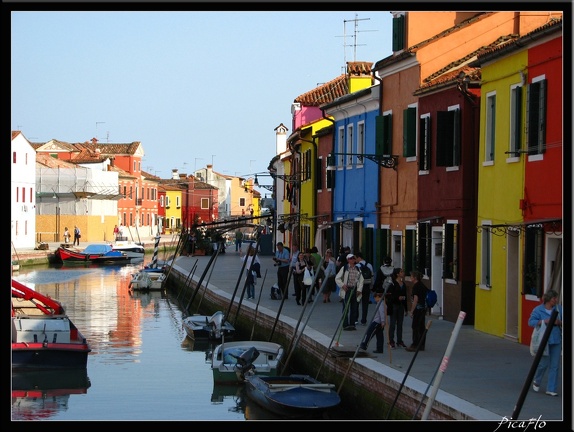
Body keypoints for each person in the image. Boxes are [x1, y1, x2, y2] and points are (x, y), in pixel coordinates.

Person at [529, 289, 563, 396]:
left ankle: (551, 388)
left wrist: (559, 322)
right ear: (548, 299)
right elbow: (531, 322)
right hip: (543, 340)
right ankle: (537, 380)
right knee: (543, 363)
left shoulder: (559, 309)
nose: (556, 300)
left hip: (556, 339)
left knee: (555, 365)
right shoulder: (538, 310)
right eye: (554, 298)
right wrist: (544, 321)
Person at [335, 253, 364, 331]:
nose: (352, 260)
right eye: (351, 259)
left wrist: (359, 290)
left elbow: (361, 280)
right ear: (348, 260)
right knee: (346, 308)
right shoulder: (344, 268)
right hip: (347, 290)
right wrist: (343, 285)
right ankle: (345, 324)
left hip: (354, 290)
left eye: (353, 258)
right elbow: (337, 278)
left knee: (354, 308)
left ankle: (352, 324)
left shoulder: (357, 269)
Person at [359, 285, 387, 354]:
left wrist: (383, 321)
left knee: (369, 333)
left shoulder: (380, 304)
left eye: (375, 298)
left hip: (377, 322)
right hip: (380, 322)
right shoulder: (383, 304)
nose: (375, 300)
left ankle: (364, 345)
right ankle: (380, 348)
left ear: (378, 297)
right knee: (379, 335)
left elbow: (382, 313)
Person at [406, 270, 428, 352]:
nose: (410, 278)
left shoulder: (416, 286)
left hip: (418, 309)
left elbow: (415, 299)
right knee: (421, 326)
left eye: (411, 276)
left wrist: (411, 311)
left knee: (415, 326)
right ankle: (421, 345)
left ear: (415, 278)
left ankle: (415, 344)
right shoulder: (422, 285)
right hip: (423, 308)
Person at [386, 268, 408, 348]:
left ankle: (400, 340)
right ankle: (391, 340)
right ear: (397, 274)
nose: (403, 273)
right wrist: (397, 298)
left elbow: (405, 295)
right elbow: (388, 295)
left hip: (401, 305)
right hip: (394, 305)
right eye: (401, 272)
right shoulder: (393, 284)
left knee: (400, 324)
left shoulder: (403, 284)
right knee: (392, 323)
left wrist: (406, 308)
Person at [355, 251, 374, 326]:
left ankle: (356, 319)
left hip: (359, 286)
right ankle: (364, 320)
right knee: (365, 303)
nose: (355, 260)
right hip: (367, 286)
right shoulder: (369, 265)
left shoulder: (357, 266)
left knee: (356, 302)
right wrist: (371, 286)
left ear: (359, 258)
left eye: (356, 258)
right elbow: (372, 276)